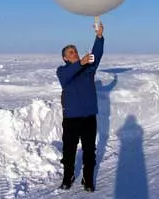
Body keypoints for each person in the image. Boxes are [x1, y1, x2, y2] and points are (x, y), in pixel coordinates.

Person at [56, 23, 104, 192]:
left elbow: (96, 55)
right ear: (65, 58)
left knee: (89, 151)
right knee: (69, 150)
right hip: (71, 119)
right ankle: (67, 177)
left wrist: (99, 37)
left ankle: (88, 179)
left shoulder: (88, 69)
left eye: (75, 51)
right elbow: (68, 75)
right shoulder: (62, 71)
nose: (74, 53)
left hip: (89, 118)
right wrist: (80, 63)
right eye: (71, 53)